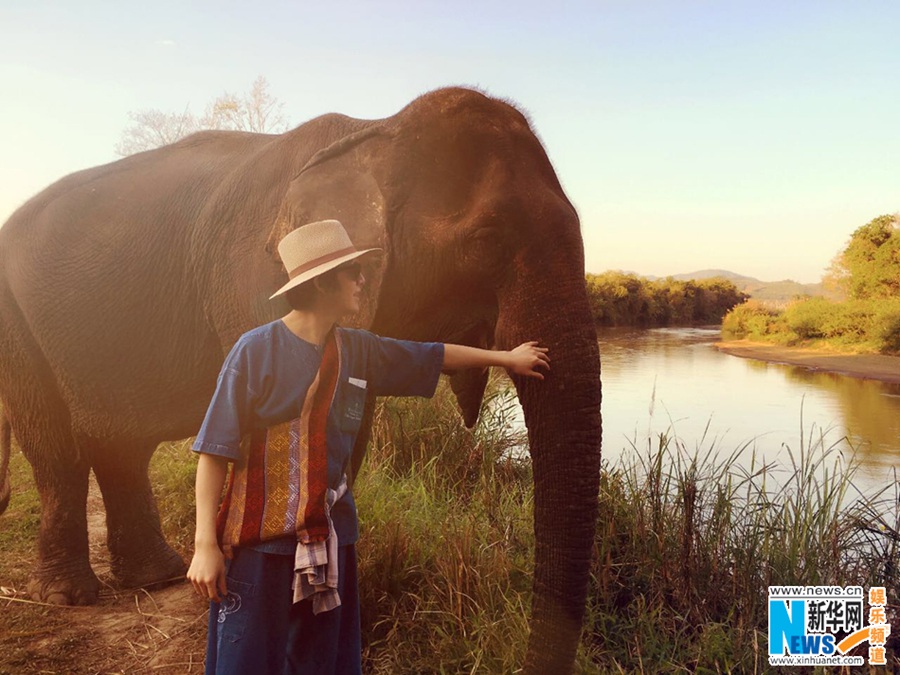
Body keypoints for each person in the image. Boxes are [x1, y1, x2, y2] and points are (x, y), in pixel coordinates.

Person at [186, 219, 549, 674]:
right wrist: (206, 546)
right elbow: (213, 450)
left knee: (323, 663)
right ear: (321, 283)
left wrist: (505, 358)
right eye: (352, 272)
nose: (363, 280)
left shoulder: (358, 350)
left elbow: (435, 355)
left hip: (332, 542)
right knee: (246, 662)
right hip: (260, 550)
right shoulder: (254, 351)